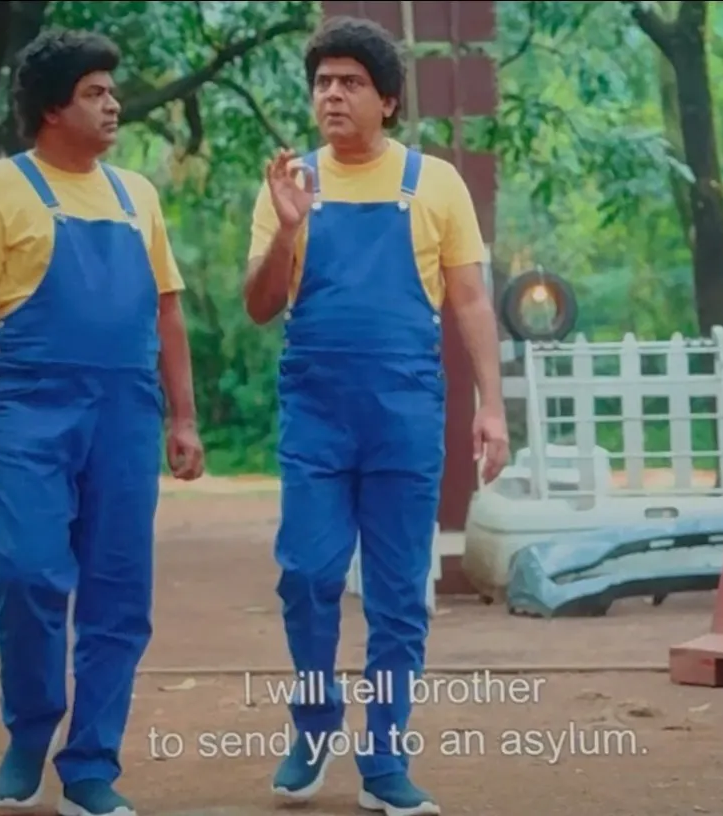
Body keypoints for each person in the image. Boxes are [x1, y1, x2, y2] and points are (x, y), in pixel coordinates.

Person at [241, 16, 510, 816]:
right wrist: (289, 229)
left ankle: (386, 756)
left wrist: (492, 406)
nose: (332, 94)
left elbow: (469, 300)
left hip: (404, 409)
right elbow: (259, 305)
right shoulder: (290, 182)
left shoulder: (434, 184)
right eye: (323, 82)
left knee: (397, 594)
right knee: (307, 572)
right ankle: (314, 722)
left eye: (351, 82)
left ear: (388, 100)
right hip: (316, 409)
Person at [0, 28, 204, 816]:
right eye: (95, 93)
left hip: (125, 414)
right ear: (52, 109)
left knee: (119, 594)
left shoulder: (136, 197)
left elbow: (167, 311)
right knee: (26, 572)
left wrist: (184, 417)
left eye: (111, 91)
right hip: (30, 408)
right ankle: (31, 727)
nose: (113, 104)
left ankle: (90, 766)